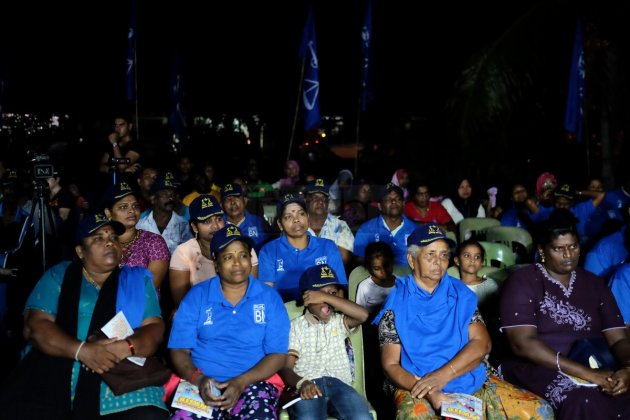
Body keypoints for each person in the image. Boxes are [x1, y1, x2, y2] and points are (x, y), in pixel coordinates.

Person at [374, 223, 554, 419]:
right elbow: (390, 365)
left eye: (444, 255)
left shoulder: (460, 293)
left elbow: (482, 343)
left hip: (466, 374)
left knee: (540, 411)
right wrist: (432, 391)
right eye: (430, 255)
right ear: (411, 259)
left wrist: (443, 376)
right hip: (415, 382)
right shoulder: (396, 303)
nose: (439, 262)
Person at [0, 214, 168, 419]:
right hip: (62, 361)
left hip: (117, 369)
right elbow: (35, 326)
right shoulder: (59, 275)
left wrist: (127, 347)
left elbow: (154, 328)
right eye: (98, 238)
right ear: (80, 251)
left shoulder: (136, 279)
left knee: (148, 415)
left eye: (113, 237)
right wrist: (82, 351)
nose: (109, 241)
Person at [499, 209, 630, 418]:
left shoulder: (595, 284)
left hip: (592, 361)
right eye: (558, 249)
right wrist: (588, 375)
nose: (568, 255)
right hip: (535, 366)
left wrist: (627, 368)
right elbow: (522, 344)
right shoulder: (522, 281)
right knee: (583, 398)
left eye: (573, 247)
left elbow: (618, 340)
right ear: (542, 250)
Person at [168, 225, 290, 419]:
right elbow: (179, 349)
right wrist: (199, 380)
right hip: (202, 382)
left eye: (243, 255)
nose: (237, 263)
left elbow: (277, 354)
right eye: (228, 257)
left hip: (253, 383)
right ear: (216, 265)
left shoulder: (269, 298)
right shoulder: (197, 296)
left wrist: (241, 382)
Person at [279, 264, 373, 420]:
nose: (326, 300)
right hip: (308, 386)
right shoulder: (296, 327)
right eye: (319, 294)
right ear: (306, 298)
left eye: (333, 293)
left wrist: (324, 297)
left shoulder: (339, 322)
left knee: (361, 416)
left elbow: (362, 315)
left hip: (340, 386)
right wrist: (302, 384)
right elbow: (286, 368)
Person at [169, 194, 259, 308]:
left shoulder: (242, 247)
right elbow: (182, 304)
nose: (215, 226)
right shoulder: (183, 252)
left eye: (219, 219)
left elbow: (251, 293)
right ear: (195, 227)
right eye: (207, 222)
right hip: (200, 314)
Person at [258, 194, 347, 301]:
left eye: (301, 214)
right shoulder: (269, 251)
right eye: (288, 217)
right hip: (283, 311)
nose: (296, 219)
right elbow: (267, 295)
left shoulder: (328, 247)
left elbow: (340, 290)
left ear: (308, 218)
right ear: (280, 224)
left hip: (322, 309)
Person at [101, 182, 170, 291]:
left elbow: (149, 287)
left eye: (135, 206)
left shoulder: (153, 241)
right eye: (123, 207)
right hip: (105, 306)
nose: (132, 211)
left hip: (143, 306)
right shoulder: (101, 244)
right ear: (108, 213)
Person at [354, 182, 417, 266]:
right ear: (380, 206)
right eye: (388, 199)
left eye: (398, 199)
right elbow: (358, 258)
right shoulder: (367, 229)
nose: (393, 201)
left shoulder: (415, 230)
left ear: (403, 204)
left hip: (407, 277)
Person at [304, 178, 355, 267]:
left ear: (328, 202)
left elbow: (343, 259)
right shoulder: (297, 225)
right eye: (315, 197)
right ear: (306, 200)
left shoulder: (340, 226)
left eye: (324, 198)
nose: (320, 201)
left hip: (332, 278)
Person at [137, 176, 193, 254]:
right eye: (165, 194)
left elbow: (189, 255)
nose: (170, 199)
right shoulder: (140, 226)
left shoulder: (182, 225)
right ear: (153, 199)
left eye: (172, 195)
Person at [221, 182, 271, 252]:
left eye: (236, 197)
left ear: (245, 200)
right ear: (222, 206)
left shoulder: (260, 223)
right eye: (227, 199)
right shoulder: (218, 226)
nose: (232, 202)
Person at [453, 239, 499, 307]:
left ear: (481, 263)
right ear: (457, 261)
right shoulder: (453, 288)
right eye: (467, 256)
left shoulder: (489, 286)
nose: (472, 260)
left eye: (477, 257)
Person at [355, 241, 396, 315]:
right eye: (377, 268)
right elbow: (359, 314)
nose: (383, 272)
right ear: (369, 268)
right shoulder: (364, 287)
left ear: (392, 261)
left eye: (386, 266)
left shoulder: (401, 283)